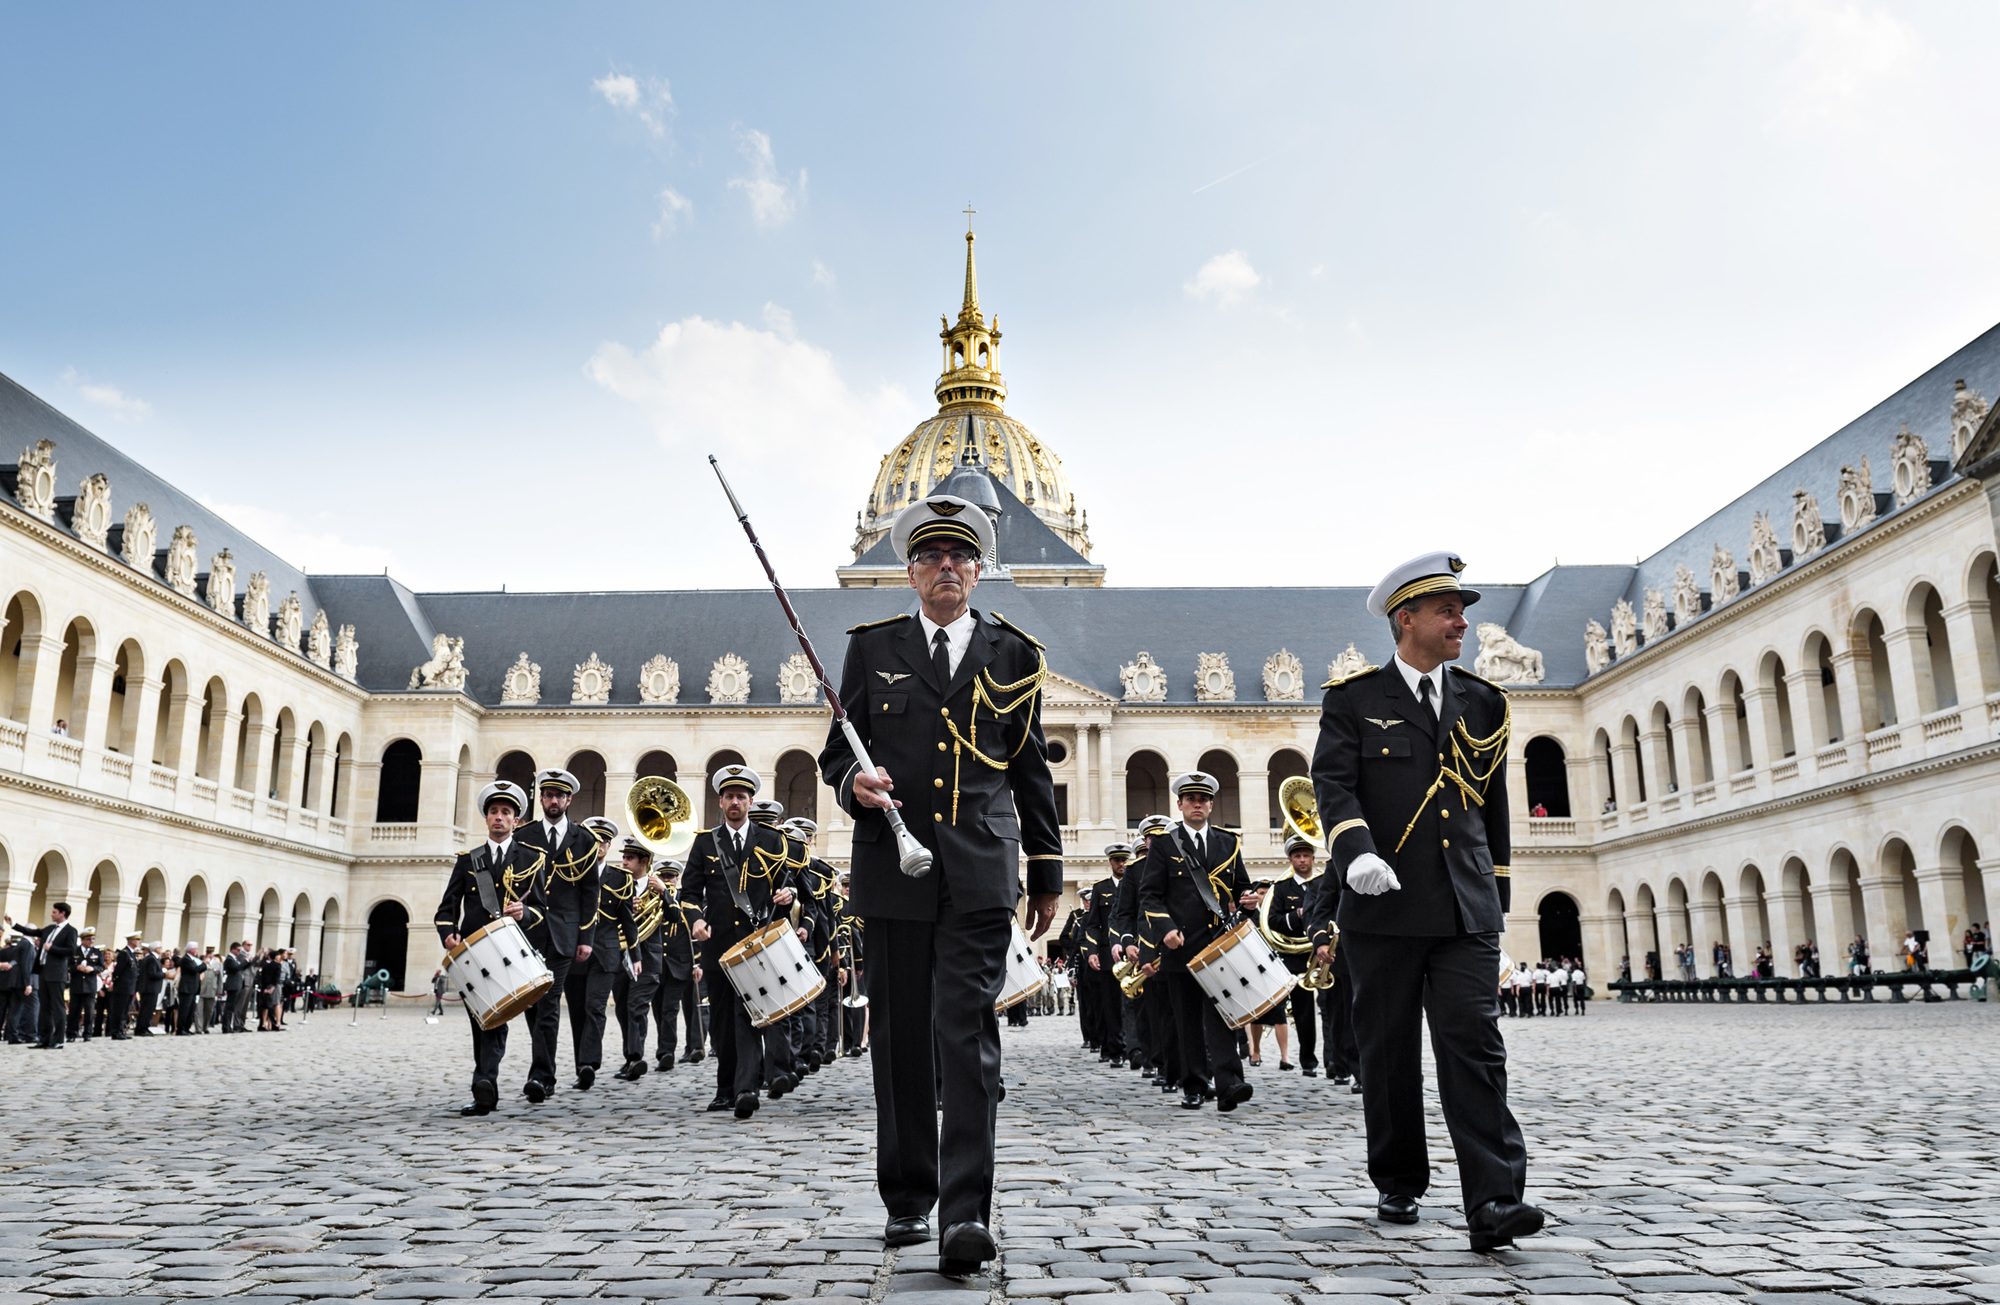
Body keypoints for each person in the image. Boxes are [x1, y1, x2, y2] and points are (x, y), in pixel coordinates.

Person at [816, 492, 1063, 1277]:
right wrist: (853, 778)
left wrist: (1048, 868)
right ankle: (908, 1197)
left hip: (982, 870)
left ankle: (965, 1214)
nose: (946, 566)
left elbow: (1030, 771)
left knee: (968, 1038)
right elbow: (833, 752)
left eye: (960, 555)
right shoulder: (872, 647)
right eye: (931, 556)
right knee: (898, 1038)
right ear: (911, 571)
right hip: (893, 866)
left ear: (979, 569)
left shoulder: (1015, 653)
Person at [1309, 550, 1541, 1253]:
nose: (1462, 621)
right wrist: (1356, 855)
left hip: (1464, 907)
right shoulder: (1353, 701)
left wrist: (1494, 894)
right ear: (1404, 619)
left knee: (1474, 1041)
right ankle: (1399, 1176)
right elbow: (1333, 785)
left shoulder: (1484, 700)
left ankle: (1496, 1197)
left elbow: (1492, 804)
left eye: (1463, 609)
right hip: (1382, 906)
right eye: (1448, 609)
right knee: (1388, 1051)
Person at [681, 765, 806, 1119]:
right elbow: (689, 892)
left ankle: (750, 1085)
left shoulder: (770, 840)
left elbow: (790, 878)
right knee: (722, 1019)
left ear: (751, 801)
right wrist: (696, 920)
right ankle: (726, 1089)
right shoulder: (705, 842)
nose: (735, 802)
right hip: (719, 944)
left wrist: (788, 892)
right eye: (729, 797)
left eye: (741, 797)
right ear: (720, 801)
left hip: (759, 943)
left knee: (758, 1014)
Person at [1137, 770, 1262, 1112]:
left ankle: (1229, 1084)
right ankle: (1194, 1084)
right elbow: (1149, 896)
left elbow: (1240, 888)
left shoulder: (1228, 842)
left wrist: (1249, 900)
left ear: (1211, 805)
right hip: (1180, 946)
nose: (1197, 804)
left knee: (1224, 1016)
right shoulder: (1164, 844)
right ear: (1179, 804)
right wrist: (1165, 930)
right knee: (1188, 1020)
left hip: (1219, 944)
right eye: (1191, 799)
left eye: (1203, 799)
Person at [434, 779, 546, 1116]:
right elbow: (446, 909)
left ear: (516, 820)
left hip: (516, 953)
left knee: (534, 1017)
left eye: (506, 812)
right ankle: (484, 1086)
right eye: (494, 812)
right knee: (485, 1023)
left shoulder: (531, 858)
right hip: (477, 956)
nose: (499, 817)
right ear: (486, 819)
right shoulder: (469, 860)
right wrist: (449, 934)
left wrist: (524, 912)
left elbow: (542, 910)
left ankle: (539, 1076)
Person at [512, 768, 604, 1104]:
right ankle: (544, 1068)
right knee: (532, 1006)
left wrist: (586, 937)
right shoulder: (525, 836)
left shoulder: (585, 840)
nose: (553, 800)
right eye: (548, 795)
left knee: (548, 1001)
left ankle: (542, 1077)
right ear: (541, 799)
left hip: (565, 934)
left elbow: (589, 893)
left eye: (559, 795)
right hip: (529, 932)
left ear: (569, 800)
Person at [564, 815, 632, 1091]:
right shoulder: (569, 872)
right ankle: (581, 1064)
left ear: (609, 845)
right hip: (572, 952)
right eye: (594, 840)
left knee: (595, 1007)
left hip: (605, 953)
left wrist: (635, 955)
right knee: (577, 1011)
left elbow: (627, 921)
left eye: (604, 841)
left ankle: (589, 1063)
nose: (599, 845)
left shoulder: (619, 878)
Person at [609, 841, 667, 1081]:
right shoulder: (618, 886)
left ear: (643, 862)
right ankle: (628, 1058)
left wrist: (665, 892)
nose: (623, 862)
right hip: (622, 956)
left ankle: (636, 1058)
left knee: (636, 1007)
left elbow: (675, 917)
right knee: (622, 1009)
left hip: (648, 959)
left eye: (630, 858)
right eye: (624, 857)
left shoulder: (659, 888)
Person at [1266, 835, 1321, 1076]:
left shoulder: (1323, 884)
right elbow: (1272, 921)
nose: (1302, 860)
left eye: (1306, 855)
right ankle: (1308, 1061)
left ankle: (1334, 1061)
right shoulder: (1281, 888)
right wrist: (1297, 915)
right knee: (1303, 1011)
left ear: (1312, 858)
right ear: (1290, 859)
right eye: (1297, 856)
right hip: (1297, 957)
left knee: (1331, 1010)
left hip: (1323, 953)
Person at [1080, 844, 1129, 1066]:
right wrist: (1091, 952)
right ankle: (1114, 1049)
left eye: (1124, 860)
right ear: (1110, 862)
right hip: (1108, 955)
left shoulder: (1136, 885)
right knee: (1110, 1005)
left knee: (1132, 1005)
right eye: (1117, 860)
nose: (1122, 864)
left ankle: (1134, 1047)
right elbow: (1093, 925)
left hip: (1132, 952)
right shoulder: (1101, 888)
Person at [10, 904, 81, 1049]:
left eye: (54, 912)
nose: (51, 914)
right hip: (43, 971)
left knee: (58, 1007)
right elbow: (32, 931)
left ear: (62, 913)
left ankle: (59, 1039)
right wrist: (13, 924)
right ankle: (44, 1038)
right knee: (44, 1008)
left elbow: (71, 950)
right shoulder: (49, 929)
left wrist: (52, 948)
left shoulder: (70, 931)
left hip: (57, 973)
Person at [67, 927, 104, 1041]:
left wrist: (93, 969)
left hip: (90, 985)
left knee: (89, 1012)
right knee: (74, 1011)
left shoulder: (96, 952)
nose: (91, 941)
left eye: (92, 939)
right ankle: (72, 1033)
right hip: (77, 985)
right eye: (88, 939)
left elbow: (101, 966)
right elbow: (68, 966)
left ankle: (87, 1034)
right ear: (82, 940)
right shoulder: (75, 951)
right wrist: (76, 967)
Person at [108, 932, 142, 1039]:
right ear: (131, 941)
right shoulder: (124, 953)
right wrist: (116, 983)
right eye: (137, 940)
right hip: (123, 987)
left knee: (125, 1011)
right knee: (120, 1010)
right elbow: (118, 971)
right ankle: (116, 1031)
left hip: (130, 987)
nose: (138, 942)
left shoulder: (131, 954)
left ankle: (121, 1030)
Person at [174, 942, 205, 1035]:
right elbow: (195, 969)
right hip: (186, 989)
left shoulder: (192, 959)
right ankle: (180, 1029)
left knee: (191, 1010)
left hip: (192, 989)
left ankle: (186, 1028)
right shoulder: (185, 959)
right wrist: (205, 964)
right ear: (191, 949)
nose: (197, 951)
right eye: (196, 949)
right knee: (184, 1010)